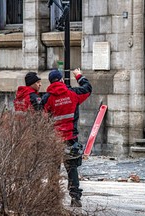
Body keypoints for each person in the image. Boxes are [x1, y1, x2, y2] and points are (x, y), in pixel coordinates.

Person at [41, 68, 92, 207]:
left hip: (54, 139)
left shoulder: (47, 98)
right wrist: (79, 75)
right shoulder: (72, 93)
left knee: (53, 169)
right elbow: (87, 88)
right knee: (72, 169)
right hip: (70, 139)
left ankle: (53, 197)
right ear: (62, 80)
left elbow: (41, 118)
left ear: (51, 82)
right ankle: (75, 198)